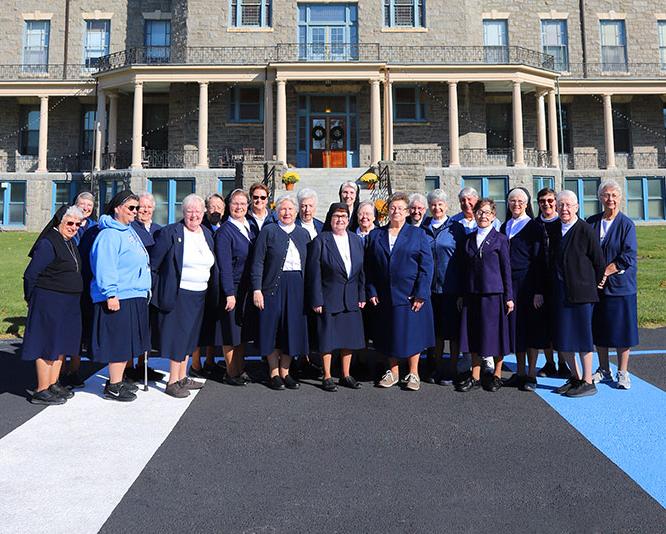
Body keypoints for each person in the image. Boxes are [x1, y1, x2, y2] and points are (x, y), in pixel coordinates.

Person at [366, 192, 435, 392]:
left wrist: (421, 293)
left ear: (407, 212)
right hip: (385, 294)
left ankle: (414, 373)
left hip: (411, 295)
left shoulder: (418, 234)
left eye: (400, 208)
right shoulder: (375, 234)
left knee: (413, 334)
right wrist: (371, 290)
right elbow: (369, 267)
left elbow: (426, 266)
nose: (396, 211)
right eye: (392, 208)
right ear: (387, 211)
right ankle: (393, 372)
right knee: (390, 333)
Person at [150, 194, 216, 398]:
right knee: (178, 338)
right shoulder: (171, 233)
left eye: (197, 211)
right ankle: (172, 381)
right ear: (182, 212)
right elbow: (154, 264)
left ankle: (182, 377)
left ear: (203, 213)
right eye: (189, 211)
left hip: (199, 295)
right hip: (179, 294)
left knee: (190, 337)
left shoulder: (206, 233)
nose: (194, 215)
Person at [90, 190, 151, 402]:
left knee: (128, 343)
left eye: (137, 207)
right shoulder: (109, 234)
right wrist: (110, 294)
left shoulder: (128, 230)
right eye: (131, 208)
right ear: (117, 208)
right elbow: (105, 266)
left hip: (134, 294)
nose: (136, 212)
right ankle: (113, 385)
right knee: (119, 343)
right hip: (119, 296)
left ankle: (119, 379)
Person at [22, 206, 84, 405]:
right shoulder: (49, 243)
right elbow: (31, 274)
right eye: (70, 223)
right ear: (60, 221)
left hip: (68, 302)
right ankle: (41, 388)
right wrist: (32, 299)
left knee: (61, 344)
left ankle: (53, 383)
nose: (74, 227)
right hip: (49, 300)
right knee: (47, 344)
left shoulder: (70, 242)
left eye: (77, 224)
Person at [548, 190, 605, 398]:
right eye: (561, 205)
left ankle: (588, 381)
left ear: (576, 207)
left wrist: (589, 284)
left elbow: (599, 262)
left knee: (582, 338)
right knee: (563, 338)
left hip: (581, 293)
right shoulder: (554, 229)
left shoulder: (585, 230)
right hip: (560, 293)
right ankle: (575, 376)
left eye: (568, 205)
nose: (564, 209)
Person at [251, 194, 311, 390]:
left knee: (291, 330)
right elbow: (258, 262)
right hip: (272, 286)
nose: (287, 213)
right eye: (283, 209)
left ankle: (286, 371)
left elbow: (309, 265)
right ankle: (273, 372)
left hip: (297, 286)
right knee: (271, 329)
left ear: (296, 212)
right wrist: (257, 289)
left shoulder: (303, 234)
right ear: (277, 212)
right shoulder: (268, 231)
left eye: (290, 209)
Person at [306, 203, 366, 392]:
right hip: (329, 297)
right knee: (327, 339)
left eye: (343, 216)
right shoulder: (321, 240)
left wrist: (362, 294)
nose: (340, 220)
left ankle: (346, 375)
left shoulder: (356, 240)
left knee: (348, 339)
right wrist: (316, 299)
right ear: (330, 219)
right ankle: (327, 375)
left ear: (349, 220)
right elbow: (313, 273)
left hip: (351, 297)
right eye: (336, 216)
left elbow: (362, 271)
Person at [456, 199, 514, 393]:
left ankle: (496, 374)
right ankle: (475, 376)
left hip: (494, 293)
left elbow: (506, 269)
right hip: (472, 293)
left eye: (487, 212)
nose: (483, 216)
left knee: (495, 336)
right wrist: (462, 294)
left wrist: (509, 296)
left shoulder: (500, 239)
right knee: (473, 335)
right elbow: (463, 270)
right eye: (480, 212)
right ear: (475, 214)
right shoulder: (468, 239)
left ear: (493, 216)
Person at [588, 179, 639, 390]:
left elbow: (628, 255)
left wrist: (607, 271)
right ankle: (603, 369)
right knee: (599, 328)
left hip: (620, 287)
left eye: (614, 196)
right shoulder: (591, 222)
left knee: (621, 330)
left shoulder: (626, 224)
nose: (610, 199)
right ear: (600, 198)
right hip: (596, 287)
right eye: (606, 195)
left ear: (620, 198)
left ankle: (622, 371)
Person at [451, 186, 500, 375]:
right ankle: (469, 360)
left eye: (470, 200)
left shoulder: (495, 225)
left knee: (487, 325)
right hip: (469, 283)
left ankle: (487, 360)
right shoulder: (454, 222)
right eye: (463, 200)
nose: (466, 203)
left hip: (490, 285)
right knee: (470, 325)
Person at [500, 188, 544, 392]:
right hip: (510, 285)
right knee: (516, 329)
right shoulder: (504, 226)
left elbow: (538, 260)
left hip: (528, 284)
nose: (516, 204)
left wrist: (538, 290)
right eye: (512, 201)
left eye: (520, 201)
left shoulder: (534, 227)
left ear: (526, 204)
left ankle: (531, 374)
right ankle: (519, 372)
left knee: (532, 328)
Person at [422, 189, 466, 384]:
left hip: (452, 289)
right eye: (433, 204)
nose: (436, 207)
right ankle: (437, 368)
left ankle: (453, 369)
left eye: (440, 204)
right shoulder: (423, 228)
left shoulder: (456, 228)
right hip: (430, 290)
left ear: (447, 206)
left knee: (453, 333)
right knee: (436, 332)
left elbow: (464, 260)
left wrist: (462, 291)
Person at [215, 189, 254, 386]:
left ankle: (240, 368)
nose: (239, 207)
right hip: (233, 288)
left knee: (241, 332)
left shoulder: (249, 226)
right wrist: (229, 293)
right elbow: (224, 266)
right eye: (235, 203)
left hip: (246, 289)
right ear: (228, 206)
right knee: (230, 333)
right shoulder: (225, 232)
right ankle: (230, 372)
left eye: (242, 204)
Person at [533, 187, 570, 378]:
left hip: (561, 283)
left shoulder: (563, 223)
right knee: (545, 325)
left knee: (561, 324)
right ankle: (549, 363)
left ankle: (564, 362)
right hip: (541, 283)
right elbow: (534, 259)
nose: (546, 204)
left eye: (550, 200)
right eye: (542, 201)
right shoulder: (534, 225)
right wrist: (537, 289)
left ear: (555, 201)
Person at [128, 191, 162, 383]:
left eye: (149, 207)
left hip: (153, 284)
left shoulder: (158, 230)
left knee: (147, 327)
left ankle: (142, 364)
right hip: (135, 284)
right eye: (142, 207)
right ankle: (127, 367)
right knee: (132, 327)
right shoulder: (131, 229)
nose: (145, 210)